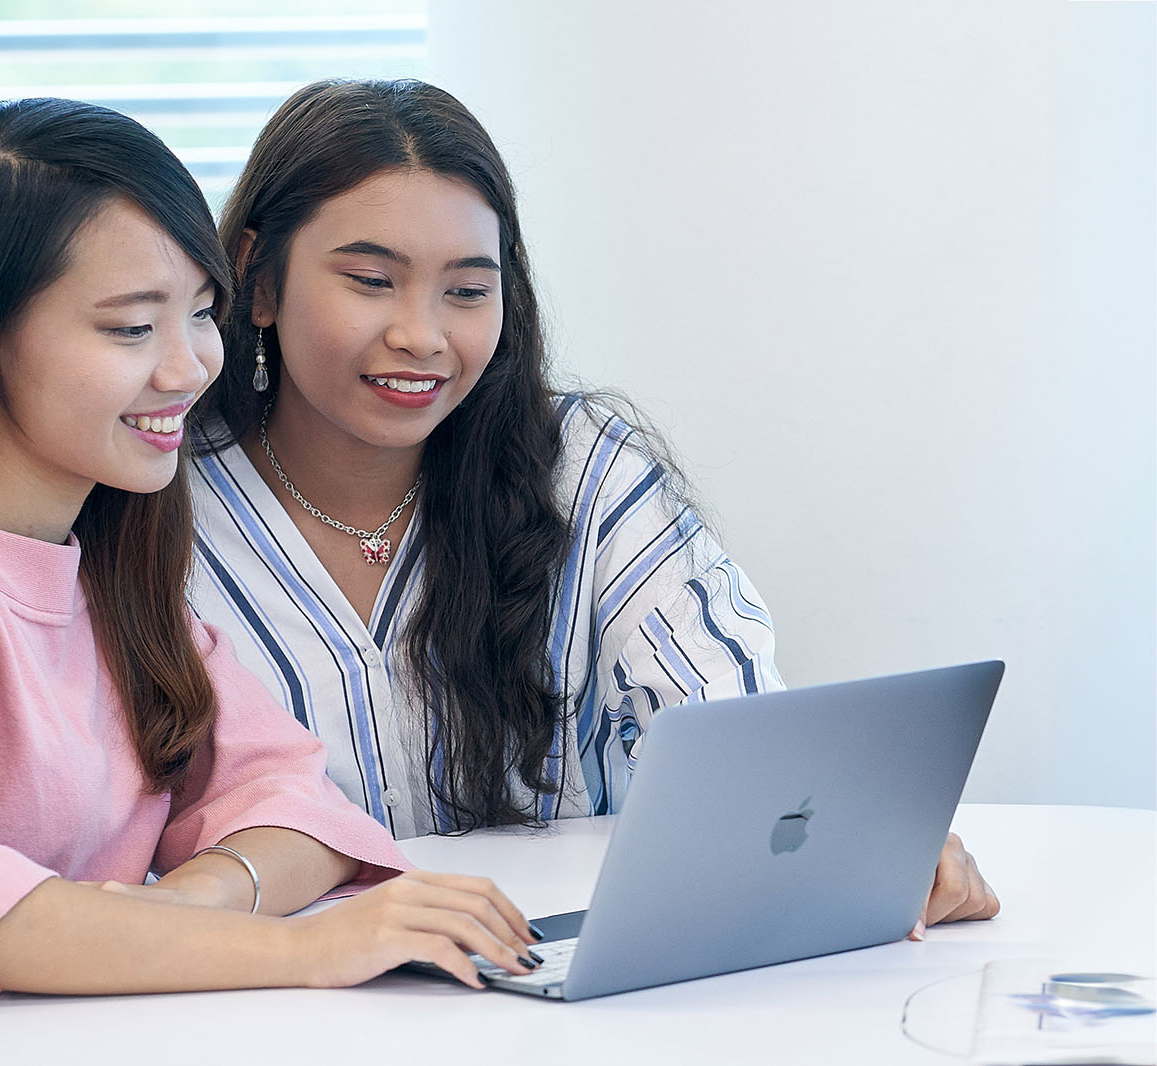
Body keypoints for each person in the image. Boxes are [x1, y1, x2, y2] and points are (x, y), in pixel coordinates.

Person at [0, 98, 544, 1066]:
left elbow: (295, 801)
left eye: (199, 314)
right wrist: (299, 944)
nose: (188, 368)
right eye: (132, 327)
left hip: (58, 1030)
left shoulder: (106, 557)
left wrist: (200, 897)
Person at [186, 78, 998, 934]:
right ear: (257, 278)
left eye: (467, 291)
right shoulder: (159, 507)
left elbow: (729, 732)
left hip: (571, 996)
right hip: (276, 1007)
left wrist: (863, 838)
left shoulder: (583, 473)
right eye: (372, 280)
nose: (422, 336)